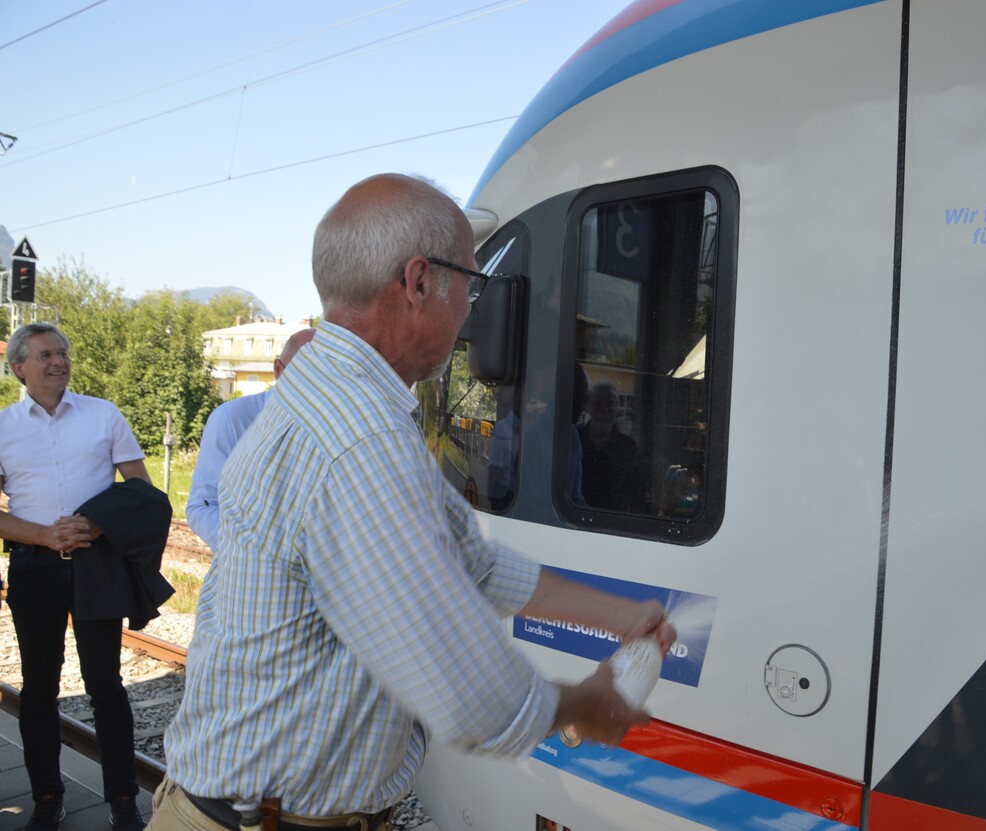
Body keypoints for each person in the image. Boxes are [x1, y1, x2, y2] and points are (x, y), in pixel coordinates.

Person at [154, 174, 675, 831]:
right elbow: (466, 688)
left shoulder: (333, 398)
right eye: (471, 285)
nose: (469, 313)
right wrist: (587, 706)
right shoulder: (359, 437)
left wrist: (622, 615)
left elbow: (472, 563)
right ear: (419, 281)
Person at [0, 322, 156, 831]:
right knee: (38, 689)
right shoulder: (3, 426)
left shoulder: (103, 414)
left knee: (106, 685)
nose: (59, 361)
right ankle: (48, 798)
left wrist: (95, 524)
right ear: (19, 367)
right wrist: (45, 535)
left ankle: (124, 802)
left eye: (62, 353)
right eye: (46, 355)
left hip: (96, 563)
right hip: (33, 567)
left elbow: (141, 489)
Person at [186, 327, 314, 548]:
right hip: (245, 563)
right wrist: (251, 550)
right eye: (305, 374)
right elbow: (203, 506)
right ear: (278, 369)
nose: (315, 385)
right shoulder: (232, 418)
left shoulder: (342, 423)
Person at [579, 382, 646, 512]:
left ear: (617, 407)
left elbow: (637, 494)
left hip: (615, 520)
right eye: (598, 403)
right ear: (589, 406)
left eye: (610, 404)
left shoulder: (629, 448)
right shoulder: (576, 441)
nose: (604, 409)